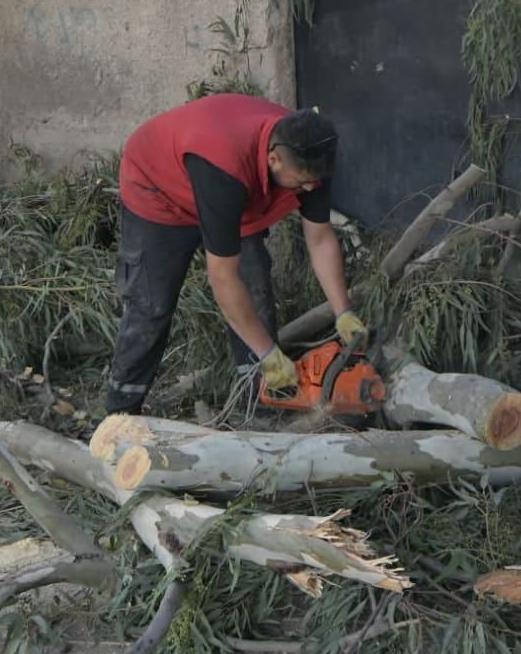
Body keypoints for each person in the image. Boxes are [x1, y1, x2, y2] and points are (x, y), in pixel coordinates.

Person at [103, 93, 367, 415]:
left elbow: (321, 239)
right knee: (152, 305)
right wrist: (268, 353)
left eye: (315, 183)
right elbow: (222, 277)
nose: (311, 190)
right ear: (274, 160)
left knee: (255, 289)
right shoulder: (225, 167)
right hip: (159, 191)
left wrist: (343, 312)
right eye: (302, 183)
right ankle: (119, 414)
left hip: (233, 188)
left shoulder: (310, 154)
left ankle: (260, 409)